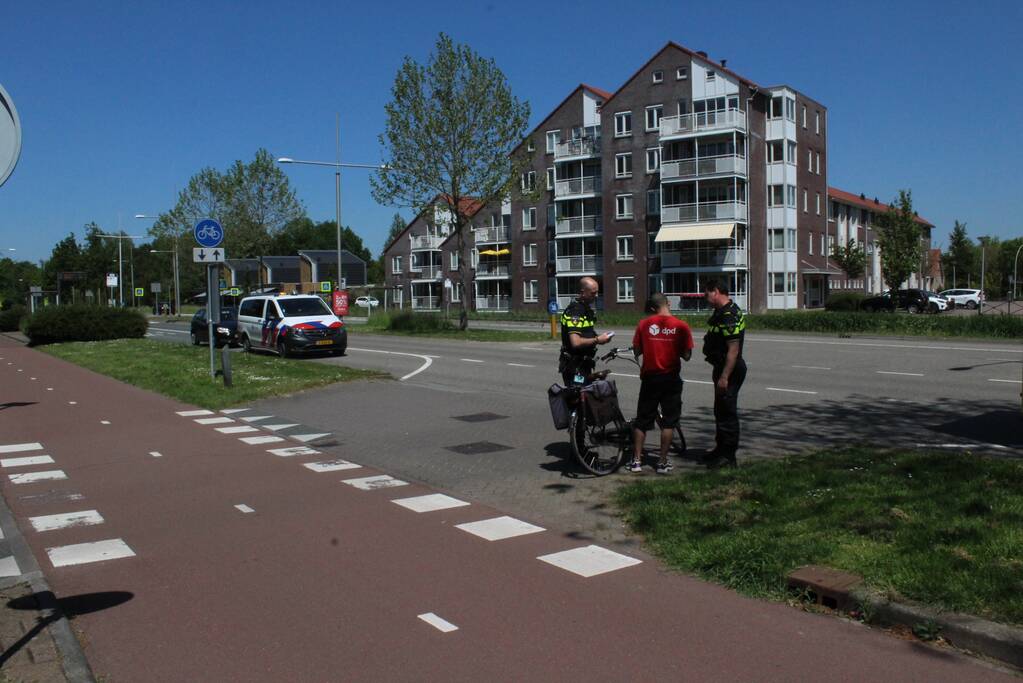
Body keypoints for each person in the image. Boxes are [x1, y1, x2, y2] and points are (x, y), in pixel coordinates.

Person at [628, 293, 693, 474]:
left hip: (650, 379)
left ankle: (636, 461)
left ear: (652, 308)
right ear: (668, 303)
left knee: (642, 421)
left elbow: (637, 350)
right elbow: (687, 356)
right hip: (671, 379)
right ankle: (662, 462)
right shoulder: (681, 326)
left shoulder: (644, 324)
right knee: (669, 422)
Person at [702, 278, 747, 468]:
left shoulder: (729, 314)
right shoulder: (722, 311)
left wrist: (724, 376)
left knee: (727, 412)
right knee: (720, 410)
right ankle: (720, 449)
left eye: (706, 293)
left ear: (716, 291)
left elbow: (733, 349)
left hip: (730, 369)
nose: (705, 297)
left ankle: (728, 457)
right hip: (721, 367)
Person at [559, 277, 612, 386]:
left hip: (584, 364)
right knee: (578, 396)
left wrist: (601, 338)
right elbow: (576, 342)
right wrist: (597, 340)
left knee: (588, 396)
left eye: (597, 292)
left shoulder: (585, 309)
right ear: (583, 293)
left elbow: (586, 334)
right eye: (593, 293)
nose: (596, 296)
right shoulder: (576, 311)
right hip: (575, 367)